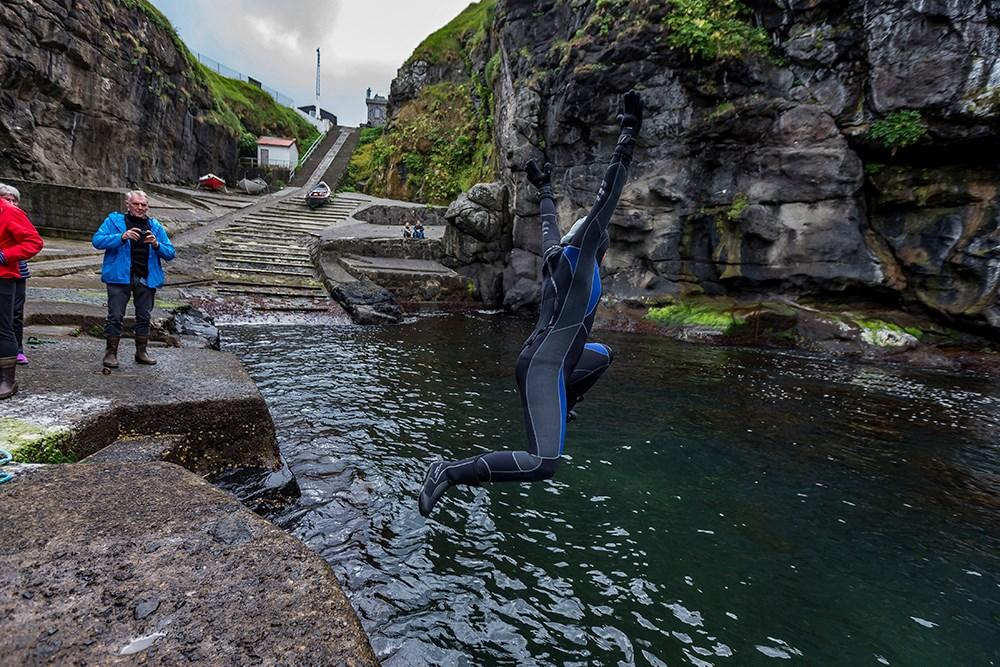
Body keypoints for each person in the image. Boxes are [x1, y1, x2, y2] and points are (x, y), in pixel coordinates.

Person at [418, 90, 642, 517]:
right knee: (544, 463)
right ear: (593, 239)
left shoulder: (558, 254)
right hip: (544, 367)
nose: (603, 236)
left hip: (551, 359)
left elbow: (548, 224)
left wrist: (544, 188)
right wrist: (627, 136)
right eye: (599, 233)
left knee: (603, 353)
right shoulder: (580, 258)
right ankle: (448, 472)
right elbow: (607, 196)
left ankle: (564, 404)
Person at [92, 190, 175, 367]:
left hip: (146, 277)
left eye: (143, 205)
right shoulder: (114, 221)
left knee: (144, 316)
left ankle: (141, 352)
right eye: (136, 204)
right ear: (128, 205)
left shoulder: (155, 226)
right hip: (118, 276)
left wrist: (156, 244)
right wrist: (122, 237)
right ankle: (111, 352)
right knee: (115, 315)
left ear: (148, 207)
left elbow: (170, 253)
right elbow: (97, 241)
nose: (140, 207)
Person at [0, 189, 44, 399]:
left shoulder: (9, 211)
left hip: (3, 277)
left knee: (3, 327)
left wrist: (5, 255)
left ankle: (7, 379)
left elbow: (34, 242)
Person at [0, 184, 31, 365]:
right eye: (7, 199)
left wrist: (6, 255)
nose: (11, 203)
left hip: (15, 271)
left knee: (15, 313)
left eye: (14, 200)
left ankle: (17, 350)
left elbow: (31, 242)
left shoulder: (15, 215)